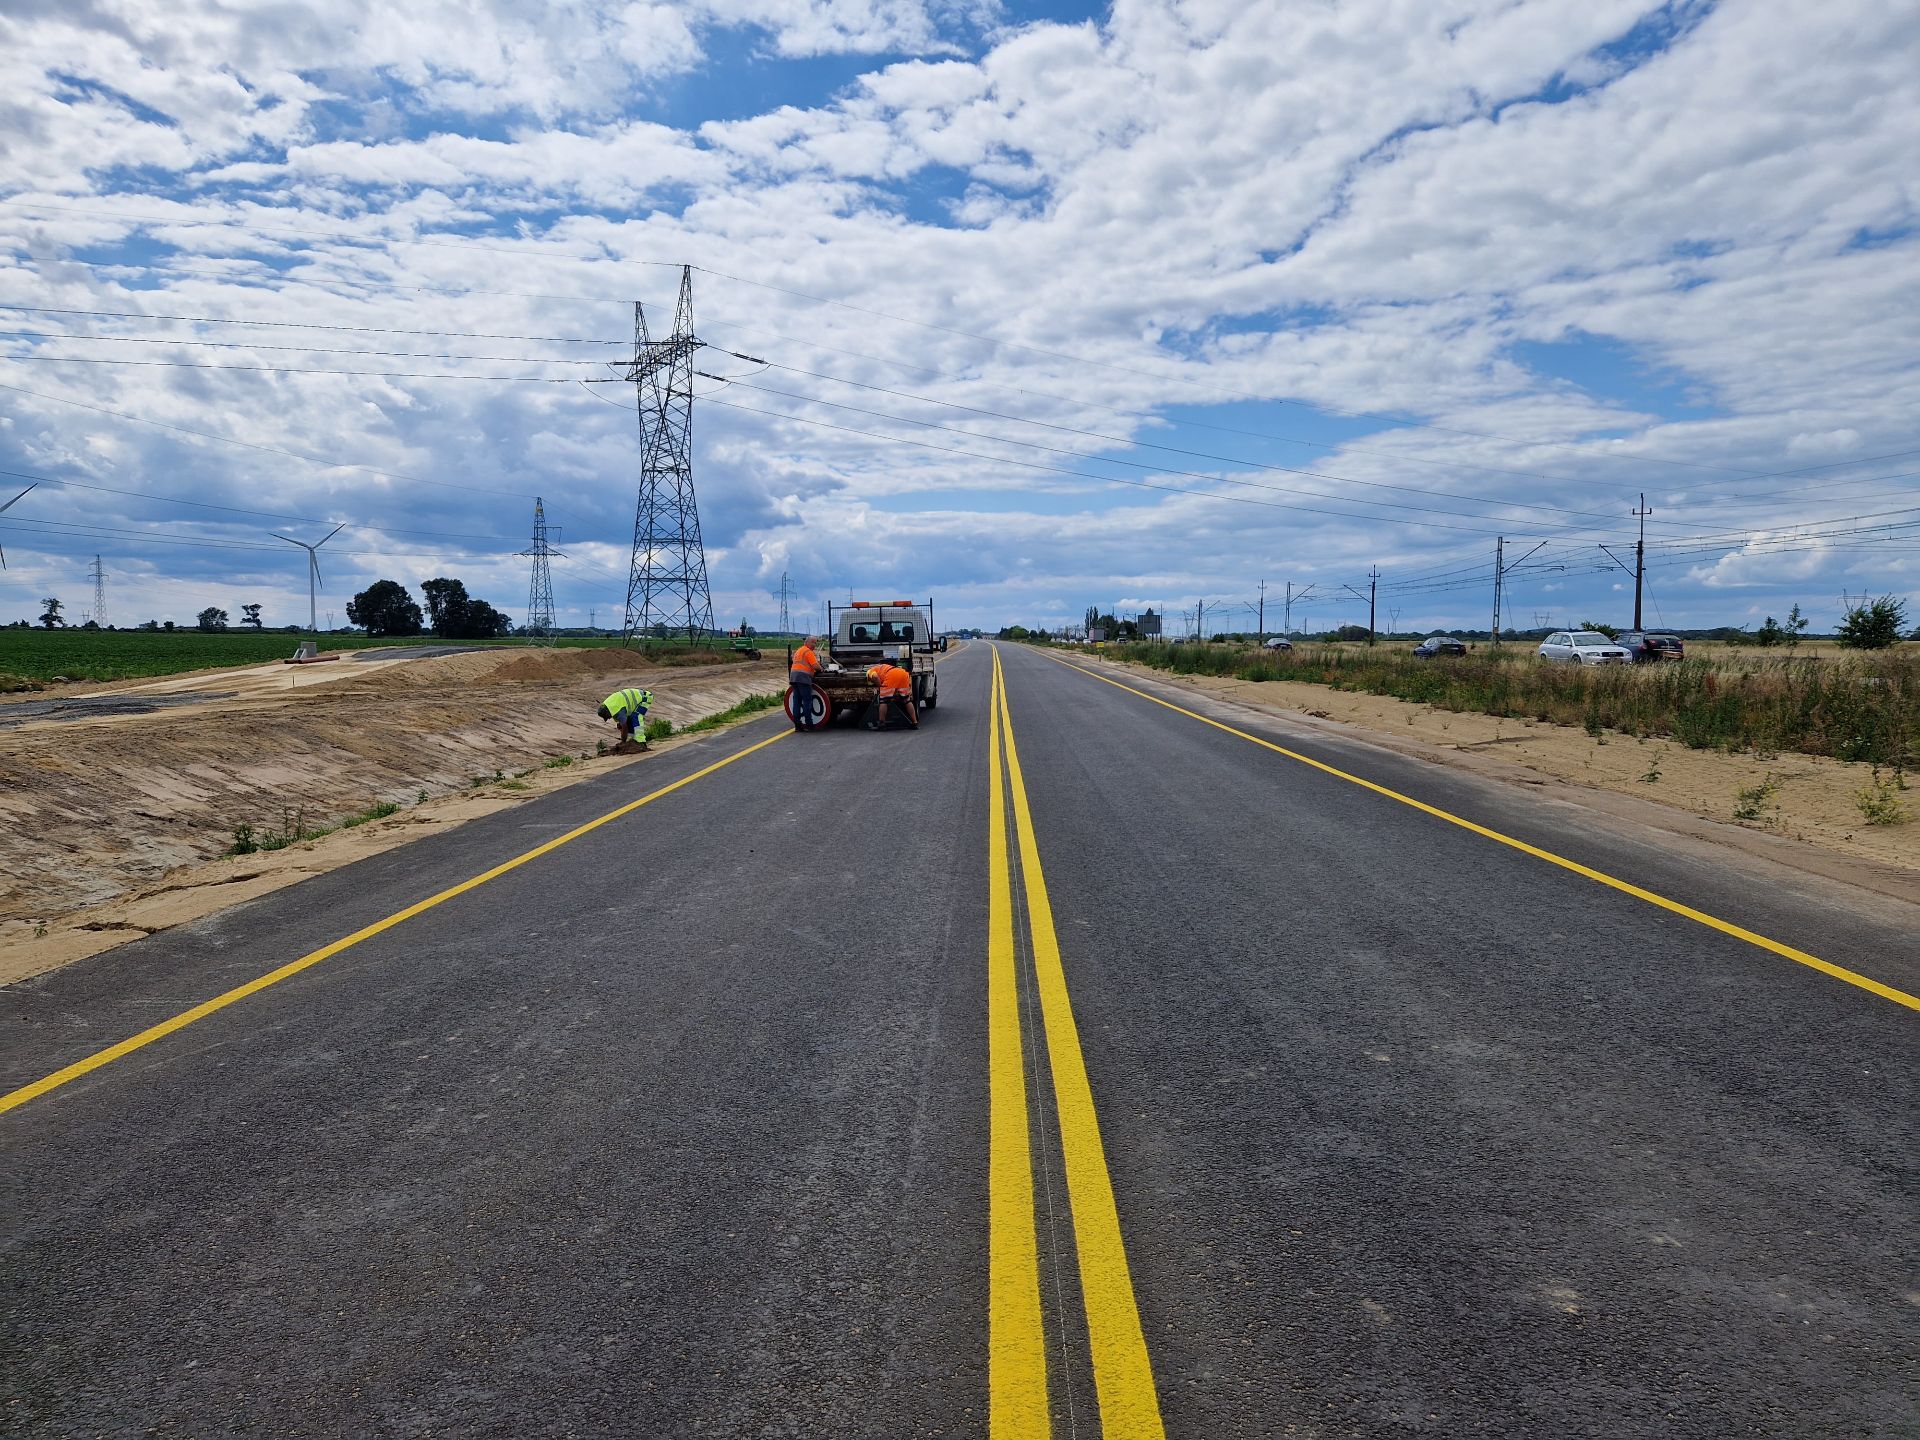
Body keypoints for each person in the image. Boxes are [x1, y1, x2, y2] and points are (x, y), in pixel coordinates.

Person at [866, 651, 918, 731]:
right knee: (907, 700)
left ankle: (881, 724)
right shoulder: (882, 667)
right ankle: (914, 723)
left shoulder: (869, 672)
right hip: (903, 674)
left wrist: (879, 686)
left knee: (883, 701)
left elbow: (875, 677)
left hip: (891, 676)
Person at [788, 635, 824, 731]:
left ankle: (797, 725)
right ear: (807, 642)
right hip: (803, 678)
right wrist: (821, 668)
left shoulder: (799, 651)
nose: (814, 645)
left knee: (797, 701)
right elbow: (815, 666)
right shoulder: (808, 652)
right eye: (813, 642)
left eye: (815, 643)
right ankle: (809, 724)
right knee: (807, 701)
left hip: (794, 677)